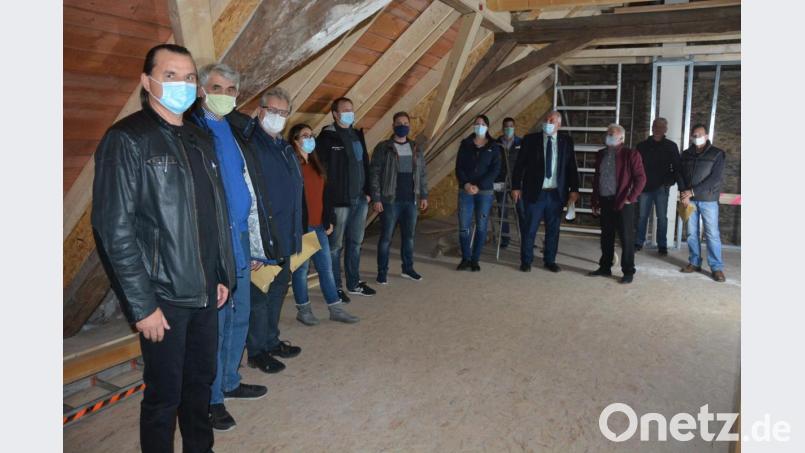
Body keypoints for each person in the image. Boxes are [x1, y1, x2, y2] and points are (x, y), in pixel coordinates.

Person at [91, 44, 234, 452]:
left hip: (206, 289)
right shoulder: (128, 139)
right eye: (171, 76)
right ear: (146, 82)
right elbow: (113, 229)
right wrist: (143, 305)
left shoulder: (198, 138)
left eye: (189, 77)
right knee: (162, 398)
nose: (183, 85)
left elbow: (212, 211)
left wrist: (220, 273)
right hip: (163, 297)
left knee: (199, 388)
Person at [186, 63, 272, 431]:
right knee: (217, 321)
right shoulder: (193, 130)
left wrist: (253, 242)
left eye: (232, 88)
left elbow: (246, 184)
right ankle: (211, 398)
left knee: (241, 313)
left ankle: (230, 381)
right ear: (203, 90)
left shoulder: (233, 128)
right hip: (216, 239)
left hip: (240, 235)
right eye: (217, 86)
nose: (225, 93)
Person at [244, 87, 304, 374]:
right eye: (273, 111)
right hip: (263, 240)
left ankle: (271, 340)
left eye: (283, 113)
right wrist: (252, 246)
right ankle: (257, 351)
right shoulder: (250, 146)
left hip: (285, 235)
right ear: (260, 110)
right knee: (259, 299)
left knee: (278, 291)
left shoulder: (283, 148)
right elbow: (247, 198)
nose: (278, 117)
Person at [288, 123, 360, 324]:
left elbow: (325, 196)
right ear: (295, 140)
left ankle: (335, 308)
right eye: (305, 135)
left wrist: (329, 219)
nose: (310, 139)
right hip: (301, 228)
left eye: (311, 135)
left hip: (319, 225)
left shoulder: (316, 163)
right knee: (301, 270)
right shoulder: (291, 165)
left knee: (326, 268)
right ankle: (303, 310)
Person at [316, 97, 376, 300]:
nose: (350, 113)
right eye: (345, 110)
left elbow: (364, 164)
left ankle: (353, 283)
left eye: (351, 109)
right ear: (334, 114)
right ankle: (336, 288)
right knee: (335, 247)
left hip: (359, 199)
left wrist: (368, 192)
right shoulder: (326, 139)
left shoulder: (357, 135)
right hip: (339, 201)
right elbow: (322, 173)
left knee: (356, 243)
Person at [511, 111, 580, 273]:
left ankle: (550, 260)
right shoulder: (530, 140)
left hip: (556, 194)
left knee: (553, 230)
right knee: (529, 229)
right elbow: (519, 165)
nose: (548, 122)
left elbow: (572, 167)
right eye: (546, 119)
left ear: (559, 125)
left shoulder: (566, 141)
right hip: (535, 192)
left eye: (552, 120)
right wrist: (515, 186)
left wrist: (574, 189)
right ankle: (526, 261)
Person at [370, 111, 429, 284]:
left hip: (410, 200)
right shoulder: (383, 147)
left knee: (409, 237)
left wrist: (423, 195)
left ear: (409, 126)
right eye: (399, 123)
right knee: (386, 238)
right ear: (393, 126)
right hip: (390, 200)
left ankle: (408, 269)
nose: (402, 125)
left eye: (405, 122)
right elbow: (374, 173)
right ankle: (382, 272)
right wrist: (377, 198)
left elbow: (422, 173)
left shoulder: (416, 148)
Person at [588, 124, 646, 284]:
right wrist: (594, 200)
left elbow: (641, 178)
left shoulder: (630, 154)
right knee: (606, 236)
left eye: (612, 134)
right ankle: (605, 267)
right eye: (607, 133)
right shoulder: (601, 154)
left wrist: (631, 197)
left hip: (623, 202)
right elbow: (597, 179)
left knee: (626, 238)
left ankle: (628, 271)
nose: (608, 136)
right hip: (605, 200)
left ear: (621, 138)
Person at [678, 124, 727, 282]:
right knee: (691, 233)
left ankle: (716, 268)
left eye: (699, 134)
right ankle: (694, 262)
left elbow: (715, 178)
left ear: (706, 136)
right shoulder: (686, 154)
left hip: (708, 200)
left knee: (712, 234)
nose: (696, 137)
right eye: (694, 134)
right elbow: (680, 174)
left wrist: (692, 191)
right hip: (690, 200)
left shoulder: (717, 154)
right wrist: (683, 193)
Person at [455, 114, 502, 271]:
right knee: (464, 226)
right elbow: (459, 167)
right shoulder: (465, 144)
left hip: (484, 192)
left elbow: (495, 170)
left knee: (481, 226)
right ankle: (465, 258)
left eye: (482, 124)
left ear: (487, 127)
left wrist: (479, 186)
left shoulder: (494, 146)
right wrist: (467, 184)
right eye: (476, 124)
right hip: (465, 191)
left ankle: (475, 260)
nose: (479, 126)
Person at [635, 117, 682, 255]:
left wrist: (670, 181)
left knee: (662, 217)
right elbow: (636, 167)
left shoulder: (671, 146)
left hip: (662, 188)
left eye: (661, 127)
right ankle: (638, 242)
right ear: (652, 127)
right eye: (656, 126)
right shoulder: (641, 146)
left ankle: (662, 245)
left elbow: (677, 167)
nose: (658, 129)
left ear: (665, 129)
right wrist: (637, 183)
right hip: (644, 187)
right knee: (642, 217)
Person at [494, 117, 524, 249]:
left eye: (511, 126)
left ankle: (525, 238)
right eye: (506, 126)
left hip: (516, 182)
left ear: (515, 127)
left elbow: (524, 163)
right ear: (502, 128)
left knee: (521, 210)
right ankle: (505, 239)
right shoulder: (496, 144)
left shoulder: (521, 143)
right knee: (503, 210)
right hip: (500, 181)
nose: (509, 129)